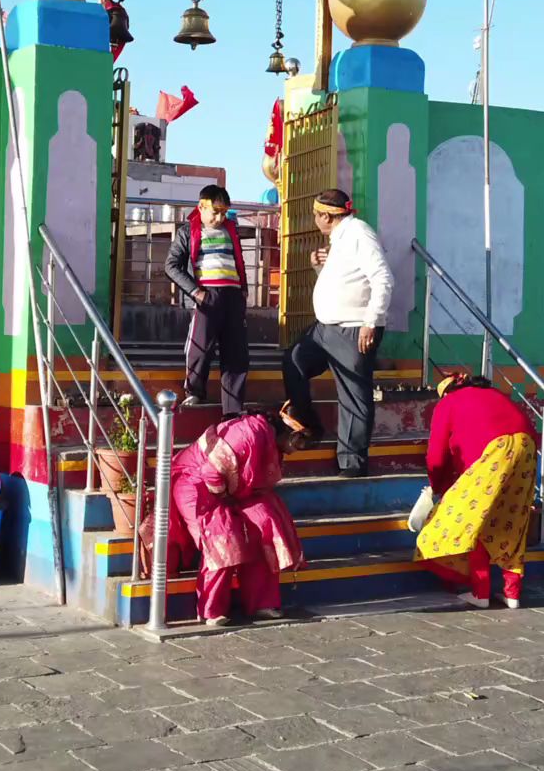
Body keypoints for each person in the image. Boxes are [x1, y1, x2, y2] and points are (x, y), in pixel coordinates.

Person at [281, 189, 392, 477]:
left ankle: (353, 464)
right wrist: (320, 266)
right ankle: (309, 423)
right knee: (293, 361)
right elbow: (344, 281)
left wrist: (372, 320)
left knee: (353, 396)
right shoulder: (338, 238)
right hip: (325, 328)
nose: (315, 219)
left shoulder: (359, 234)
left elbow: (382, 278)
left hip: (354, 327)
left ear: (326, 216)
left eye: (316, 215)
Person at [166, 411, 311, 626]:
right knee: (223, 538)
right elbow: (211, 472)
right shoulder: (248, 433)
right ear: (292, 433)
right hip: (197, 484)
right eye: (301, 443)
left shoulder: (269, 440)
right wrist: (226, 498)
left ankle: (262, 603)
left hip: (234, 491)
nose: (299, 450)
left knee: (265, 526)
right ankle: (210, 610)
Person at [412, 372, 539, 608]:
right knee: (512, 517)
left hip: (494, 454)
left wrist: (437, 488)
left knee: (473, 520)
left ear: (446, 391)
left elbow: (436, 456)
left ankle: (480, 593)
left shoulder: (448, 403)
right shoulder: (494, 394)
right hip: (527, 448)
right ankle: (512, 593)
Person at [165, 184, 250, 415]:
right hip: (207, 296)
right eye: (216, 212)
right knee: (200, 348)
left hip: (233, 297)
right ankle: (194, 392)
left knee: (236, 354)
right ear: (201, 207)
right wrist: (196, 292)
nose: (220, 217)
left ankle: (233, 409)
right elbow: (171, 266)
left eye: (224, 212)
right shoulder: (189, 231)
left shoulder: (231, 230)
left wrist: (244, 290)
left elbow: (238, 262)